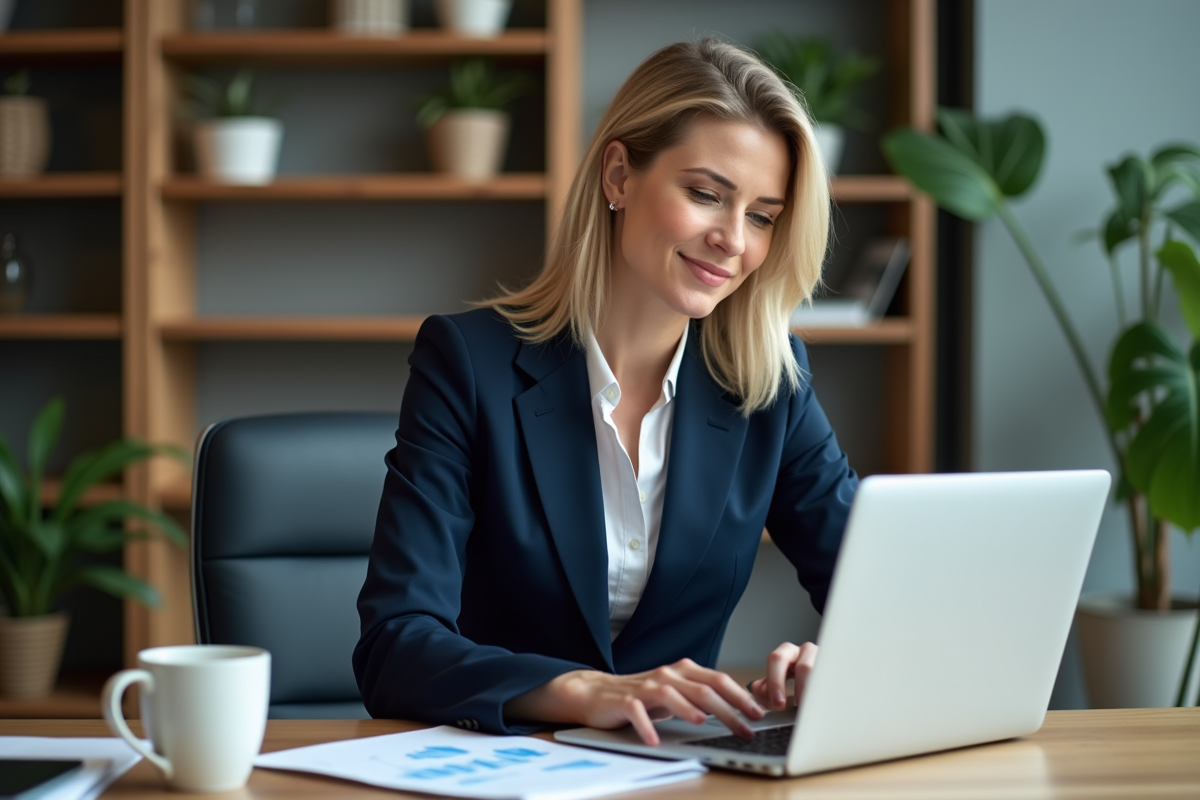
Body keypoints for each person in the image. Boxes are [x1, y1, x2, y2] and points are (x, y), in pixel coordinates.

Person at [354, 38, 858, 745]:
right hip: (503, 770)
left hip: (680, 777)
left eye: (764, 216)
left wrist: (841, 661)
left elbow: (882, 602)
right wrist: (584, 692)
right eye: (707, 195)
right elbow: (395, 646)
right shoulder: (468, 362)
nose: (733, 241)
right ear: (618, 175)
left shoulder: (771, 384)